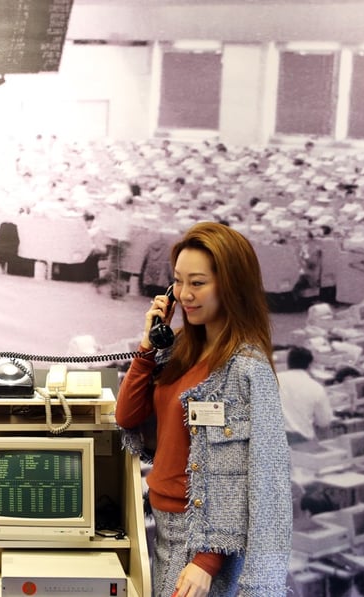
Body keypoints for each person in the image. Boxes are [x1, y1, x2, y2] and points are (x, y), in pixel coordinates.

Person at [114, 221, 291, 597]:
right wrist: (147, 348)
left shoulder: (246, 369)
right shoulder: (178, 349)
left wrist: (208, 559)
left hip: (207, 543)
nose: (184, 294)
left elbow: (254, 476)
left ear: (230, 286)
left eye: (197, 283)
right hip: (165, 528)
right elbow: (128, 417)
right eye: (178, 282)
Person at [277, 346, 334, 445]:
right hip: (300, 442)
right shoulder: (316, 388)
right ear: (310, 365)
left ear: (288, 363)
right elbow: (324, 422)